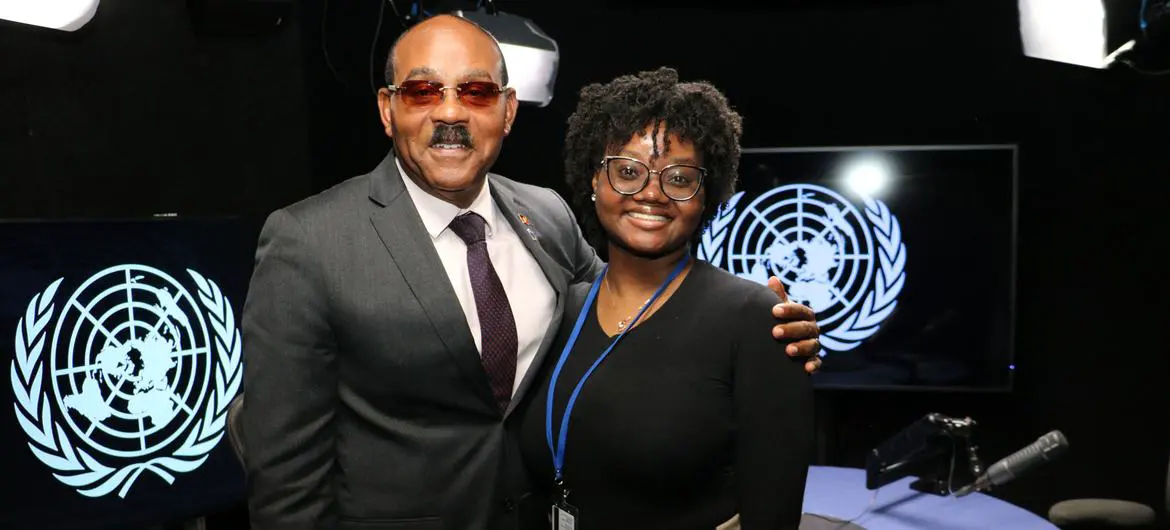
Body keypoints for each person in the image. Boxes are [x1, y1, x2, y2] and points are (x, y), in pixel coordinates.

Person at [239, 14, 822, 530]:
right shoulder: (306, 241)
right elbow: (286, 476)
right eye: (422, 91)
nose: (449, 113)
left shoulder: (543, 214)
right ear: (387, 110)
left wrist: (759, 326)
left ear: (508, 111)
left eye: (475, 92)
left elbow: (631, 307)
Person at [516, 67, 815, 530]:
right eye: (629, 172)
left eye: (678, 178)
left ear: (706, 193)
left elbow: (772, 515)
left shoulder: (753, 320)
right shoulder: (561, 307)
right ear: (594, 181)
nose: (652, 193)